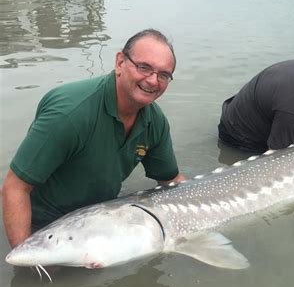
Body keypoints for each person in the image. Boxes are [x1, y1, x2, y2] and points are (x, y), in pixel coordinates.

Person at [2, 28, 185, 248]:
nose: (153, 81)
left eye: (163, 74)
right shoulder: (69, 114)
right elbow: (15, 187)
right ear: (120, 63)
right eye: (144, 67)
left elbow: (172, 181)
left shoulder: (154, 121)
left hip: (97, 220)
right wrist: (26, 254)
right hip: (43, 226)